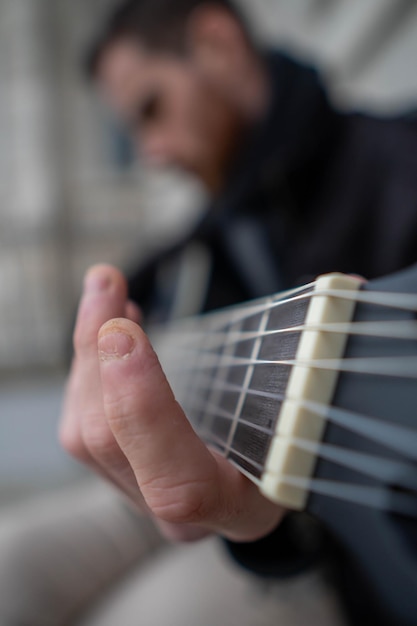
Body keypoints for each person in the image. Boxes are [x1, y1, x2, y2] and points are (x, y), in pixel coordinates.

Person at [1, 1, 417, 624]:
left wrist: (267, 532)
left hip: (325, 556)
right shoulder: (226, 219)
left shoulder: (399, 163)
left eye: (151, 109)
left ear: (217, 45)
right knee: (11, 560)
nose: (150, 153)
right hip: (197, 499)